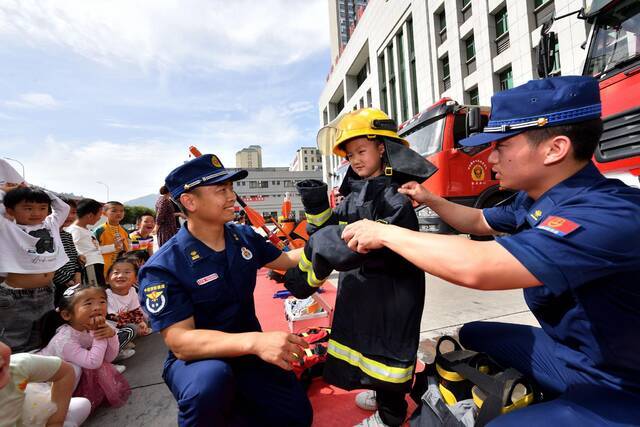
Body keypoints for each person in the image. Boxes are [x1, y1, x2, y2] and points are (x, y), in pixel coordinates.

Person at [341, 76, 640, 425]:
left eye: (502, 145)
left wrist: (385, 233)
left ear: (554, 149)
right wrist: (430, 199)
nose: (491, 156)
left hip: (623, 383)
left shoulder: (607, 214)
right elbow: (479, 221)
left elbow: (479, 267)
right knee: (472, 333)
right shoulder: (535, 199)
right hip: (578, 356)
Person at [283, 108, 436, 427]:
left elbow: (355, 241)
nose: (354, 159)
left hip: (392, 290)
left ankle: (391, 414)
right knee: (366, 345)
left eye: (361, 151)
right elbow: (326, 229)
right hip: (362, 288)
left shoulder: (397, 195)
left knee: (388, 353)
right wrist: (316, 207)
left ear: (382, 148)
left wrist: (314, 259)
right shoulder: (356, 190)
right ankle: (381, 395)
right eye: (350, 154)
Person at [138, 154, 313, 427]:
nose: (231, 196)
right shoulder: (164, 267)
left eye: (231, 188)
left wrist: (331, 243)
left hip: (248, 352)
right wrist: (255, 342)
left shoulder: (241, 236)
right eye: (221, 190)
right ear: (189, 202)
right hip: (199, 361)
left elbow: (287, 260)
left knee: (296, 416)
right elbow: (180, 342)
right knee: (209, 384)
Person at [0, 182, 70, 352]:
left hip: (46, 291)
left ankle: (39, 375)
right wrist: (4, 190)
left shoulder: (50, 224)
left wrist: (40, 190)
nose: (36, 213)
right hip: (15, 297)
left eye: (42, 207)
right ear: (10, 210)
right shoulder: (7, 227)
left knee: (45, 336)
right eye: (28, 208)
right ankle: (14, 377)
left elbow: (63, 207)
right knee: (15, 342)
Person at [39, 284, 130, 411]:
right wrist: (100, 336)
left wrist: (112, 335)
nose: (98, 307)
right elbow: (93, 363)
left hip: (75, 372)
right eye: (88, 304)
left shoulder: (92, 325)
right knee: (77, 368)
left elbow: (109, 358)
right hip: (47, 382)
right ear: (67, 315)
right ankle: (63, 405)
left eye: (102, 301)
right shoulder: (64, 340)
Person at [0, 340, 91, 427]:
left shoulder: (18, 366)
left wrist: (55, 423)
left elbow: (66, 372)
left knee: (83, 404)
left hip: (31, 413)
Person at [105, 258, 151, 350]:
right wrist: (135, 327)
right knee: (132, 328)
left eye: (127, 272)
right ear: (107, 279)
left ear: (135, 279)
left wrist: (140, 322)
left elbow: (134, 310)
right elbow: (112, 318)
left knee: (142, 323)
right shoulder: (106, 295)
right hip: (109, 329)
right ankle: (116, 348)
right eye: (116, 273)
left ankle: (123, 341)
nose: (121, 275)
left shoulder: (132, 291)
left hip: (122, 323)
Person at [67, 199, 106, 287]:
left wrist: (114, 247)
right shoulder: (75, 230)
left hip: (95, 265)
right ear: (90, 215)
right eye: (99, 214)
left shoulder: (87, 230)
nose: (100, 218)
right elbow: (70, 247)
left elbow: (96, 249)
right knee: (94, 291)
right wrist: (79, 255)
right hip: (89, 266)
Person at [53, 198, 83, 305]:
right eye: (64, 212)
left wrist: (77, 275)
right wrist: (66, 280)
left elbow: (74, 257)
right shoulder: (49, 235)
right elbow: (48, 263)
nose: (69, 216)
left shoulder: (67, 235)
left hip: (72, 282)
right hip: (57, 284)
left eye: (73, 212)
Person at [93, 201, 130, 278]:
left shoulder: (125, 231)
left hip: (120, 267)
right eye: (114, 211)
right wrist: (113, 247)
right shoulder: (99, 230)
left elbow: (128, 248)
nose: (119, 213)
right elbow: (93, 250)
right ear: (104, 213)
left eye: (121, 211)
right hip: (103, 268)